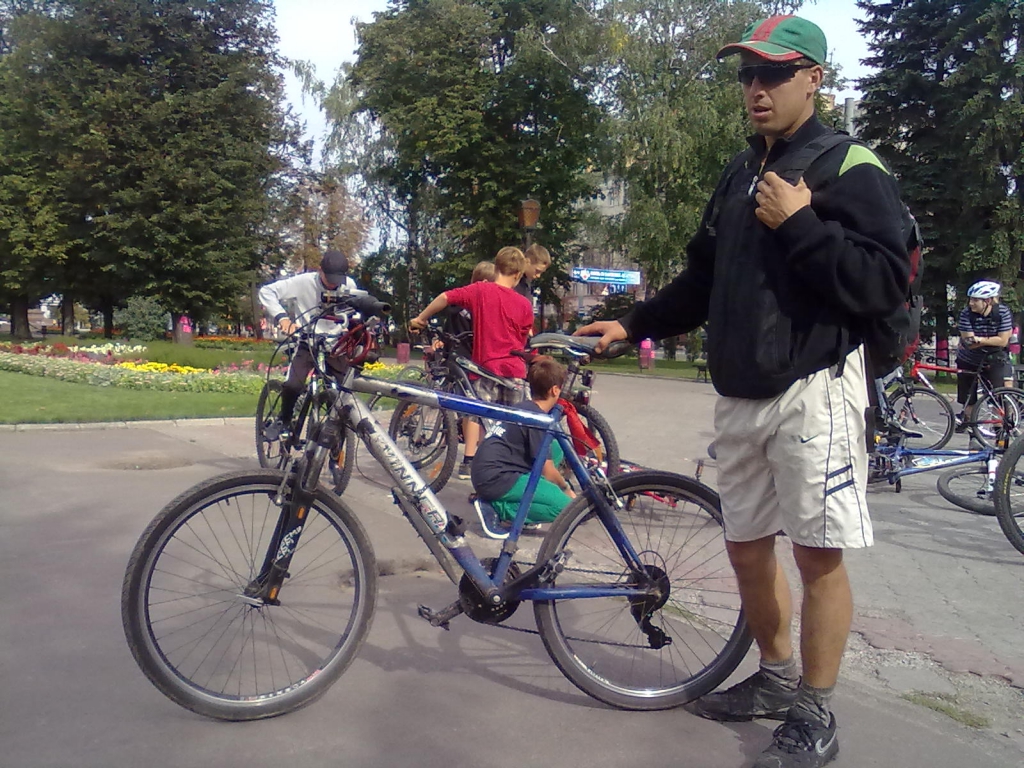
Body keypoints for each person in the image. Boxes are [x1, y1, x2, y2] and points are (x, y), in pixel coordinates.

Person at [575, 15, 910, 768]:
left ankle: (816, 712)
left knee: (818, 555)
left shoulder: (851, 166)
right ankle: (776, 678)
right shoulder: (738, 173)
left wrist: (802, 225)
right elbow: (702, 278)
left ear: (813, 79)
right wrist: (632, 323)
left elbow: (883, 283)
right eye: (747, 75)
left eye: (774, 73)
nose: (757, 88)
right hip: (741, 392)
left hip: (814, 389)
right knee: (747, 549)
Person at [411, 247, 533, 479]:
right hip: (515, 372)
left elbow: (445, 298)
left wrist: (421, 318)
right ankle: (511, 473)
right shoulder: (524, 304)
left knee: (476, 415)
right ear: (518, 275)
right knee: (513, 427)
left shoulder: (480, 291)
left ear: (496, 267)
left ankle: (471, 462)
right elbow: (524, 337)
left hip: (486, 369)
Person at [470, 355, 575, 539]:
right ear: (555, 390)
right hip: (496, 479)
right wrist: (565, 488)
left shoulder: (525, 407)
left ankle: (526, 500)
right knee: (567, 508)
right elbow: (547, 470)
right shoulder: (537, 418)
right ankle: (497, 507)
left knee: (557, 445)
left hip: (488, 470)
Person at [257, 249, 358, 439]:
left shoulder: (348, 284)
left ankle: (335, 441)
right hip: (307, 341)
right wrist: (283, 318)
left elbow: (356, 309)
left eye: (338, 279)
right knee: (293, 385)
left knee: (342, 392)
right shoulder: (304, 282)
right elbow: (266, 291)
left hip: (334, 344)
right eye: (330, 279)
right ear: (320, 271)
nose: (334, 284)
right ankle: (284, 420)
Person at [954, 280, 1013, 430]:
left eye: (975, 300)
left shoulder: (1002, 312)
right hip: (968, 359)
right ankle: (972, 432)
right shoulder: (966, 313)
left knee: (998, 397)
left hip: (994, 359)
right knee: (969, 399)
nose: (971, 303)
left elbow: (1003, 341)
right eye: (970, 299)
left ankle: (999, 431)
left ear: (987, 301)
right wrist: (992, 340)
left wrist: (979, 339)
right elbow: (969, 342)